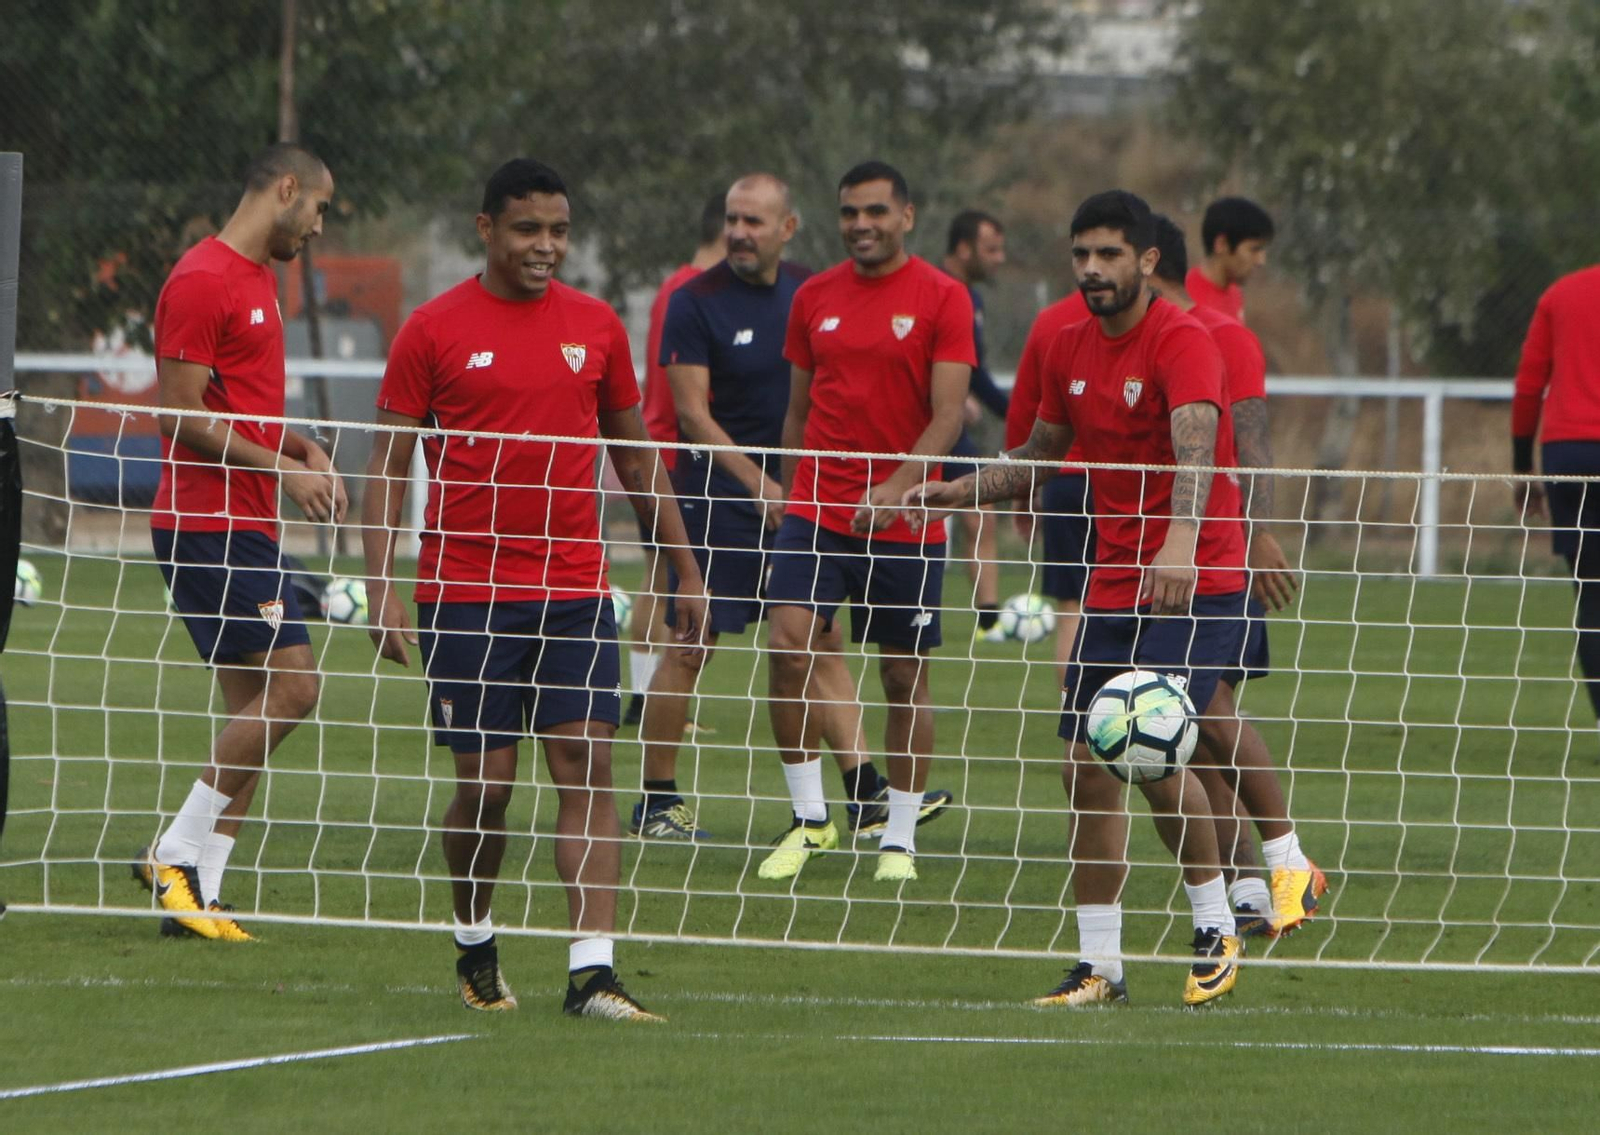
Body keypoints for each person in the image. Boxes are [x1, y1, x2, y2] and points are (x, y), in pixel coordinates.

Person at [362, 158, 706, 1020]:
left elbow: (637, 458)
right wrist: (380, 582)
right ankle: (475, 938)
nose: (545, 245)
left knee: (586, 763)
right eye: (527, 229)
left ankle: (592, 973)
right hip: (465, 594)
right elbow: (387, 462)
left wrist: (686, 568)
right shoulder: (431, 330)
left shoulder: (595, 326)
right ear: (486, 229)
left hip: (575, 591)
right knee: (487, 788)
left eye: (558, 230)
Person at [907, 190, 1245, 1007]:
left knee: (1153, 750)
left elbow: (1196, 451)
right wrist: (958, 489)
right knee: (1083, 766)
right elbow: (1041, 452)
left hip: (1193, 579)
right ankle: (1101, 965)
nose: (1092, 269)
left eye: (1109, 254)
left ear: (1147, 261)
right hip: (1115, 581)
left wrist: (1178, 541)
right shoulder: (1067, 346)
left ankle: (1217, 927)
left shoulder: (1183, 340)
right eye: (1081, 254)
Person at [635, 173, 950, 842]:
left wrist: (801, 486)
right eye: (732, 220)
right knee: (692, 642)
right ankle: (657, 798)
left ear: (788, 228)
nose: (739, 233)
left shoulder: (811, 291)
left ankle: (864, 791)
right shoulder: (693, 300)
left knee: (820, 642)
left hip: (800, 495)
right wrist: (761, 483)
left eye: (754, 221)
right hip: (721, 494)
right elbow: (692, 415)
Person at [133, 143, 341, 943]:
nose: (318, 226)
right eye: (318, 208)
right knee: (296, 688)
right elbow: (179, 413)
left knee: (251, 710)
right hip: (207, 524)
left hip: (244, 520)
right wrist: (282, 471)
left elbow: (239, 406)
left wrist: (299, 446)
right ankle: (173, 851)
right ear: (286, 189)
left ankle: (199, 897)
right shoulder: (201, 279)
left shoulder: (259, 279)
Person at [760, 160, 972, 884]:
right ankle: (810, 819)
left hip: (906, 522)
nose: (861, 224)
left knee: (902, 675)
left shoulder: (943, 297)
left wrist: (899, 487)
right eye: (850, 212)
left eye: (876, 211)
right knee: (788, 647)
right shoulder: (813, 296)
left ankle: (899, 838)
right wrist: (793, 495)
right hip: (818, 512)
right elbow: (797, 411)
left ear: (906, 216)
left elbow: (948, 416)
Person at [1149, 213, 1325, 937]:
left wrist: (1258, 534)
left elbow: (1252, 448)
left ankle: (1278, 866)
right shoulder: (1117, 334)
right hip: (1142, 562)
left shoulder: (1222, 332)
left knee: (1207, 710)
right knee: (1191, 722)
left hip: (1215, 558)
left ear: (1145, 261)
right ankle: (1250, 879)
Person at [625, 193, 727, 729]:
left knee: (658, 575)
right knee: (670, 580)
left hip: (662, 449)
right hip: (673, 455)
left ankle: (643, 697)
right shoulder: (693, 291)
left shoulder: (677, 288)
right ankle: (652, 699)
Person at [1513, 260, 1600, 737]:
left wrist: (1522, 466)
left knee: (1593, 595)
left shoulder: (1562, 294)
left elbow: (1530, 384)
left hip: (1570, 455)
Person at [1005, 289, 1092, 674]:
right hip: (1127, 483)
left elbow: (1024, 411)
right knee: (1133, 604)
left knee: (1071, 609)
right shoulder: (1148, 316)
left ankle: (1073, 711)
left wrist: (1022, 492)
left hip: (1064, 481)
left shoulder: (1052, 320)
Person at [940, 210, 1009, 640]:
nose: (999, 258)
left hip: (950, 430)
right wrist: (947, 394)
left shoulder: (973, 300)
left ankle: (989, 622)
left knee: (980, 511)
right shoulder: (932, 289)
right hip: (914, 427)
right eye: (991, 249)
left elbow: (976, 372)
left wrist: (1018, 414)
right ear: (964, 249)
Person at [1187, 196, 1274, 323]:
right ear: (1221, 244)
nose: (1261, 261)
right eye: (1254, 250)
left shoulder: (1234, 292)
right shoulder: (1185, 300)